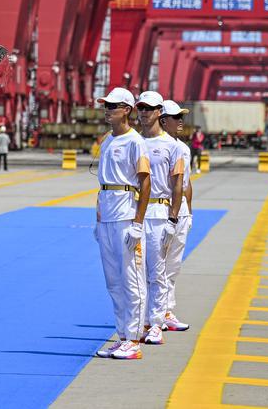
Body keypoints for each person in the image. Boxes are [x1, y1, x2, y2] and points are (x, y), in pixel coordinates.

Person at [92, 88, 151, 361]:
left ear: (127, 109)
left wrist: (138, 222)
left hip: (126, 215)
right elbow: (102, 184)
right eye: (106, 105)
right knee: (113, 281)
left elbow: (145, 182)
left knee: (132, 280)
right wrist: (98, 219)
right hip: (107, 217)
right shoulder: (106, 140)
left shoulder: (135, 142)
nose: (107, 109)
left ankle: (135, 340)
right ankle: (123, 336)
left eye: (113, 105)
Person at [134, 91, 184, 346]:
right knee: (136, 273)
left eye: (149, 109)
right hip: (134, 214)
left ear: (159, 113)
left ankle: (155, 323)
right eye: (140, 108)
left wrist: (173, 219)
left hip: (158, 213)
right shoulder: (133, 141)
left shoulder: (172, 146)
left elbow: (178, 185)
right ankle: (139, 323)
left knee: (157, 272)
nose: (143, 112)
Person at [159, 100, 192, 332]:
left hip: (181, 213)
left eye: (181, 117)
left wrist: (189, 212)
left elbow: (186, 184)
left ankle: (166, 311)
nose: (180, 121)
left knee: (174, 265)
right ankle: (158, 313)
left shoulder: (184, 148)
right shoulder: (158, 146)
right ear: (163, 120)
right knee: (158, 266)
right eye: (175, 117)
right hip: (162, 212)